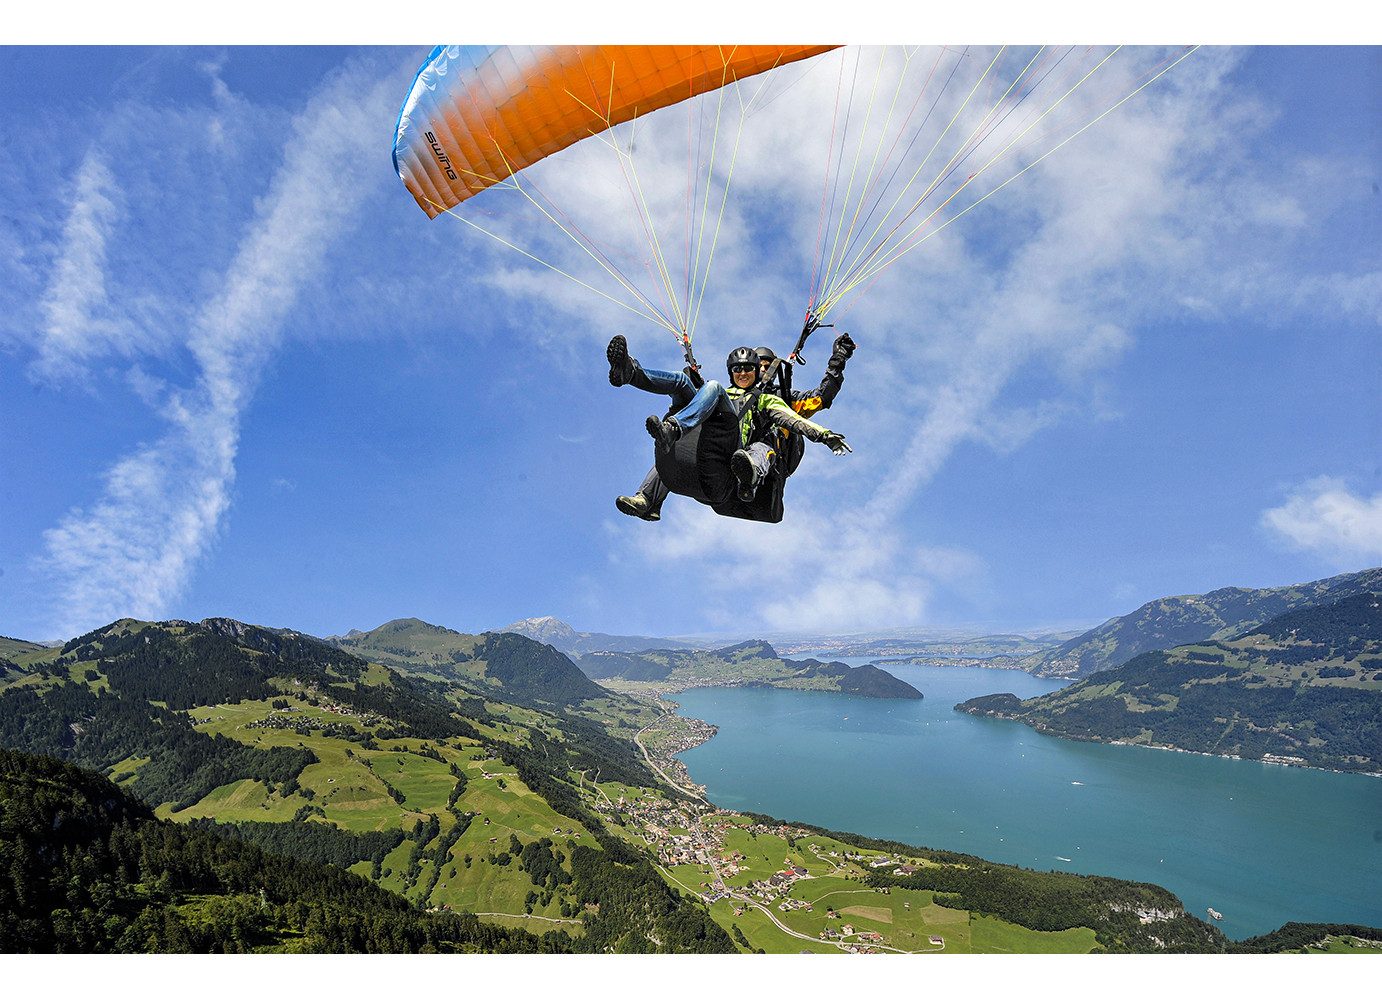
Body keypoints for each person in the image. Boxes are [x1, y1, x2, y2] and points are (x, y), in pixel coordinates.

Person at [612, 332, 856, 518]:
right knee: (682, 390)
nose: (760, 369)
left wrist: (838, 360)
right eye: (753, 365)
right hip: (715, 439)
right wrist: (696, 388)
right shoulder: (727, 393)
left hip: (746, 456)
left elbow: (818, 401)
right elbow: (711, 398)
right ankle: (630, 373)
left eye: (764, 365)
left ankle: (749, 473)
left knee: (764, 444)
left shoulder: (781, 399)